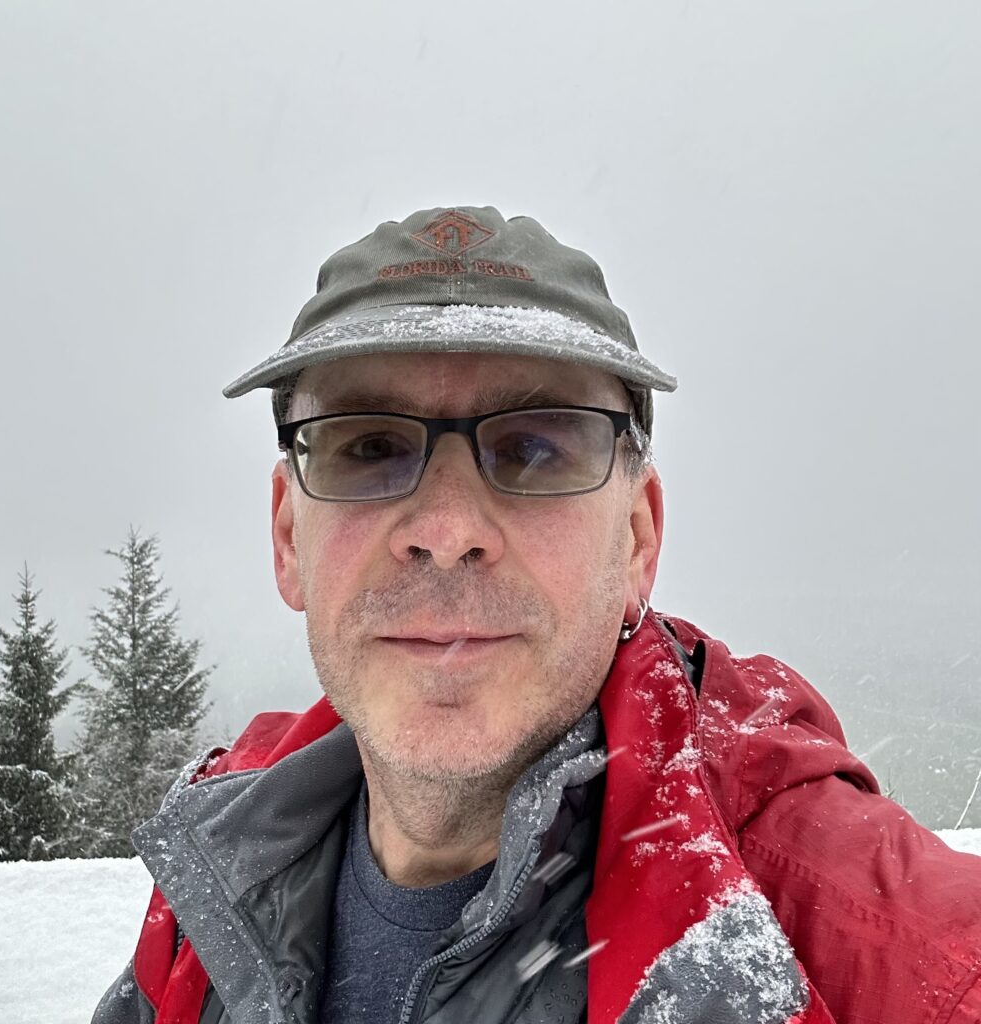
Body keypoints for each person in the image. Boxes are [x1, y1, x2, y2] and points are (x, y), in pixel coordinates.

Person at [93, 206, 981, 1024]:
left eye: (533, 447)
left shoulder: (873, 946)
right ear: (288, 536)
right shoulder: (217, 883)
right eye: (369, 445)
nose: (445, 533)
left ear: (636, 538)